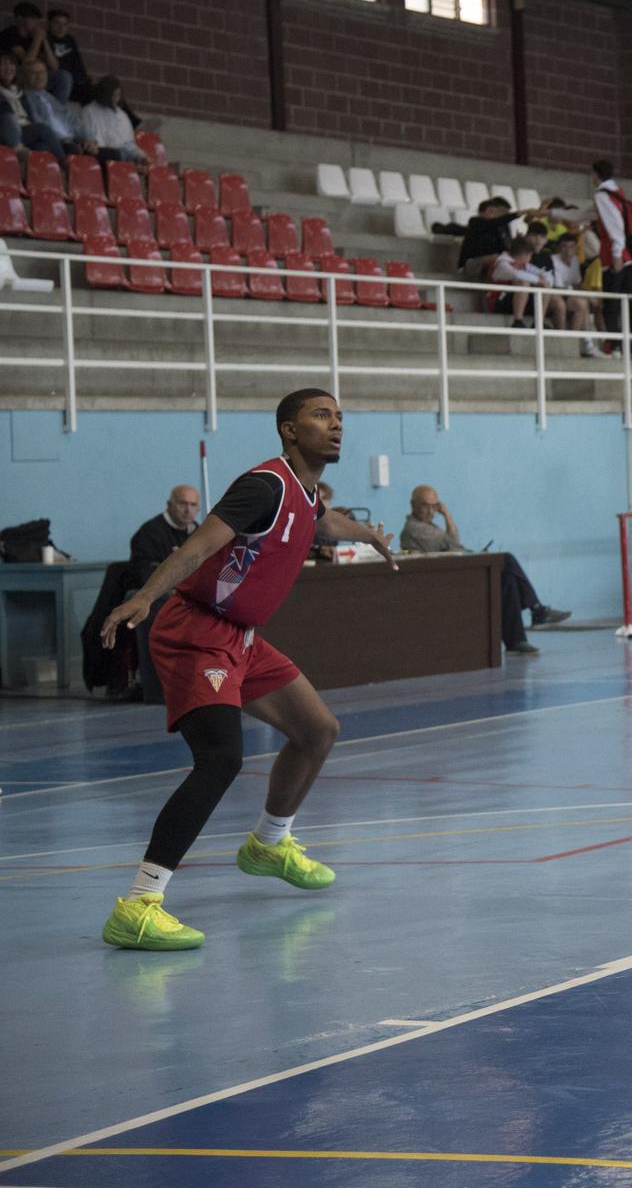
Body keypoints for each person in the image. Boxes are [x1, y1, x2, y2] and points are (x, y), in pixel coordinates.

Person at [96, 390, 398, 951]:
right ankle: (139, 905)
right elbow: (197, 547)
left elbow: (323, 522)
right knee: (220, 760)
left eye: (340, 418)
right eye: (322, 416)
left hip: (242, 638)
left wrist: (369, 533)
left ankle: (268, 843)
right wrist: (144, 597)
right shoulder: (264, 486)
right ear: (288, 429)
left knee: (317, 730)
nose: (336, 426)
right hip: (196, 631)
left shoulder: (304, 494)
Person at [399, 486, 568, 655]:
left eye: (435, 506)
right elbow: (454, 543)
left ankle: (517, 641)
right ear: (413, 504)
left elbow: (452, 543)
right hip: (443, 580)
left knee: (507, 578)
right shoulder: (414, 529)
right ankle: (538, 610)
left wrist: (446, 515)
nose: (430, 511)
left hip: (453, 570)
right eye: (425, 506)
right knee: (507, 559)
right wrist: (447, 515)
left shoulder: (431, 526)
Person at [124, 485, 202, 705]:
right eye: (182, 503)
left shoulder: (199, 534)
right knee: (156, 606)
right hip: (151, 596)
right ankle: (157, 691)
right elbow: (144, 575)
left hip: (190, 596)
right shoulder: (149, 533)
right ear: (170, 505)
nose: (187, 510)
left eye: (193, 505)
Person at [591, 159, 632, 344]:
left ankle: (615, 346)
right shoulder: (617, 192)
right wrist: (555, 214)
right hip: (628, 257)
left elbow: (615, 225)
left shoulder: (601, 195)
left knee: (612, 304)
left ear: (595, 174)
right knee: (629, 303)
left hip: (615, 258)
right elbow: (592, 214)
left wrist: (617, 253)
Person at [0, 2, 70, 101]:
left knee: (63, 76)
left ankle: (57, 112)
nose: (36, 24)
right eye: (32, 19)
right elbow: (27, 63)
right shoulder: (10, 34)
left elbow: (55, 67)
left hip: (34, 79)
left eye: (37, 20)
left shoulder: (35, 36)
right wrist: (37, 39)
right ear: (20, 19)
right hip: (15, 78)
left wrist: (44, 41)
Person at [0, 52, 62, 155]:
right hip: (5, 132)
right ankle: (64, 163)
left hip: (25, 130)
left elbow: (31, 116)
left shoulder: (21, 92)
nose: (8, 68)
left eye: (11, 64)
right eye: (3, 65)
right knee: (43, 129)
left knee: (42, 147)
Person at [75, 76, 144, 163]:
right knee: (118, 155)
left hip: (119, 156)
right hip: (97, 156)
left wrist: (140, 155)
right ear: (104, 94)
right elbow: (85, 139)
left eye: (118, 95)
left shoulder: (122, 116)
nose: (115, 99)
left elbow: (128, 144)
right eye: (112, 95)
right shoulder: (88, 112)